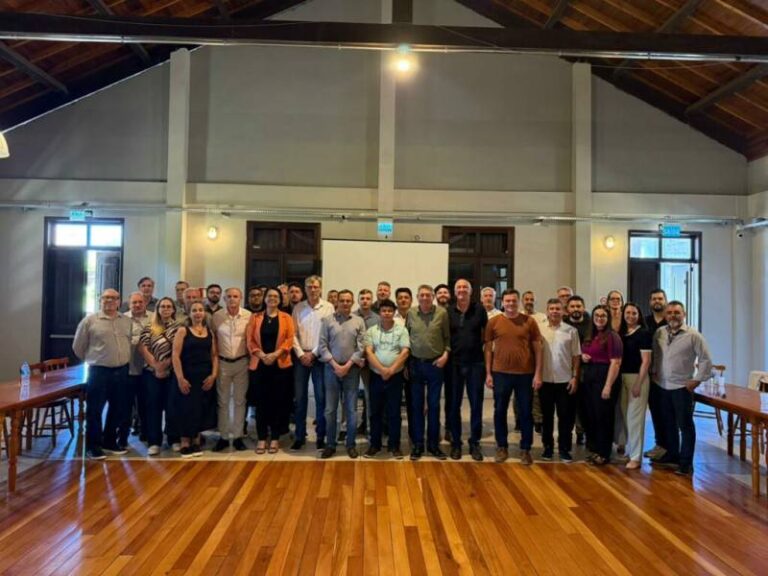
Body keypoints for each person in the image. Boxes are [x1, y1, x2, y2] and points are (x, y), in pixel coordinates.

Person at [651, 301, 712, 476]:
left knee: (685, 425)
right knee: (668, 424)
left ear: (684, 314)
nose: (673, 316)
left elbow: (706, 360)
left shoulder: (693, 335)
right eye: (669, 312)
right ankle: (672, 455)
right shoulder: (659, 332)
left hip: (681, 387)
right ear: (665, 315)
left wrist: (697, 380)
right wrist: (654, 372)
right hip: (662, 385)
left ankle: (686, 463)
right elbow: (655, 354)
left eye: (677, 312)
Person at [72, 288, 132, 459]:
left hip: (121, 370)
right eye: (106, 298)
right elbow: (78, 347)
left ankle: (109, 441)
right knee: (95, 410)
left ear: (119, 301)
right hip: (99, 371)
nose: (110, 301)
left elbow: (129, 342)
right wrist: (94, 359)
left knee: (117, 408)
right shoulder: (90, 321)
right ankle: (93, 446)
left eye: (114, 298)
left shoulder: (126, 321)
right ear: (100, 300)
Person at [484, 289, 542, 465]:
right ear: (503, 302)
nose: (510, 304)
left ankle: (525, 449)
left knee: (525, 412)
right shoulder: (494, 322)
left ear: (519, 302)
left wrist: (538, 373)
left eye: (514, 300)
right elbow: (488, 349)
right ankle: (502, 446)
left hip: (525, 374)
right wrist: (488, 373)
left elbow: (538, 349)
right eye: (507, 301)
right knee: (500, 411)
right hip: (500, 373)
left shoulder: (529, 321)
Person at [318, 289, 366, 459]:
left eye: (348, 301)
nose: (345, 303)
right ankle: (330, 444)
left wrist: (347, 366)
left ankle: (350, 444)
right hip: (331, 369)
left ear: (352, 302)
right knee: (330, 409)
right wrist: (335, 365)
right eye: (342, 300)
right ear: (337, 302)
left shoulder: (359, 321)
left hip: (351, 370)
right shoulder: (327, 320)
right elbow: (322, 345)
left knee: (351, 409)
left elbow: (361, 346)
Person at [246, 287, 295, 454]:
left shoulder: (286, 317)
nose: (272, 298)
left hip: (280, 365)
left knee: (278, 402)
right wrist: (261, 355)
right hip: (260, 365)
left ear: (280, 300)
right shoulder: (255, 317)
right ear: (264, 298)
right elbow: (250, 340)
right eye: (269, 296)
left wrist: (275, 354)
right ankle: (261, 438)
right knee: (261, 403)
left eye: (276, 296)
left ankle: (274, 437)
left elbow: (289, 339)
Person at [406, 285, 451, 460]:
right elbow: (407, 338)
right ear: (417, 297)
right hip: (416, 364)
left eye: (428, 295)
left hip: (435, 365)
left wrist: (445, 355)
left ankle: (433, 445)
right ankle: (418, 444)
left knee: (434, 405)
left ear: (433, 297)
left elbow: (447, 338)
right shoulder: (411, 313)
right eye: (422, 295)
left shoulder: (442, 313)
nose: (425, 298)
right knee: (417, 406)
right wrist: (406, 364)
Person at [291, 275, 335, 451]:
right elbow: (292, 334)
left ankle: (320, 436)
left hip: (320, 358)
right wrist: (301, 354)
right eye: (309, 286)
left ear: (321, 288)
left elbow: (328, 334)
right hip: (301, 357)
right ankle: (299, 436)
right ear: (305, 289)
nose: (313, 289)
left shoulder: (328, 307)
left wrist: (314, 353)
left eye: (316, 286)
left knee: (321, 398)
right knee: (300, 399)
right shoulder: (298, 308)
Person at [364, 298, 410, 459]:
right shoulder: (372, 331)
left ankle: (394, 445)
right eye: (384, 311)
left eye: (390, 311)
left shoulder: (401, 330)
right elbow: (368, 352)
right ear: (379, 313)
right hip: (376, 376)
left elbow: (405, 352)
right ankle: (374, 445)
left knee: (394, 412)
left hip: (395, 377)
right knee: (375, 412)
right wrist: (382, 369)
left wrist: (391, 370)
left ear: (393, 312)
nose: (387, 313)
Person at [171, 302, 219, 457]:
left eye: (200, 310)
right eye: (194, 310)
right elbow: (175, 355)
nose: (198, 313)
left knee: (200, 408)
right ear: (189, 313)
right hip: (187, 376)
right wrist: (180, 378)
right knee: (186, 408)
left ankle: (196, 440)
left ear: (204, 313)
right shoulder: (183, 331)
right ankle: (185, 442)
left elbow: (214, 356)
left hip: (204, 377)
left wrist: (213, 375)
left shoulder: (209, 332)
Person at [447, 279, 487, 461]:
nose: (462, 290)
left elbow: (486, 335)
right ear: (455, 292)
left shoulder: (480, 310)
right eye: (459, 288)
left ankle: (474, 442)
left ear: (470, 292)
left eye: (465, 287)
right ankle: (456, 443)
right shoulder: (448, 311)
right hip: (454, 364)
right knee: (454, 405)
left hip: (475, 364)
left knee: (476, 404)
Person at [539, 298, 580, 463]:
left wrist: (575, 377)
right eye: (552, 309)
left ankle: (564, 449)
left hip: (565, 381)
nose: (555, 311)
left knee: (565, 417)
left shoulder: (571, 331)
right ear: (547, 311)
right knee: (546, 417)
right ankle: (547, 448)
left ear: (563, 311)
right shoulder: (539, 329)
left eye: (558, 309)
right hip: (545, 380)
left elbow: (576, 356)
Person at [580, 305, 622, 466]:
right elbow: (586, 351)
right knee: (591, 415)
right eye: (596, 315)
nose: (599, 318)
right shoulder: (590, 335)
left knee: (603, 417)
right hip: (589, 377)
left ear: (608, 318)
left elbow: (616, 362)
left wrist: (608, 386)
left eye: (603, 316)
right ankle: (595, 450)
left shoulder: (612, 336)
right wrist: (583, 356)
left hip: (605, 377)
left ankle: (604, 453)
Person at [211, 288, 252, 452]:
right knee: (223, 401)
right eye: (229, 297)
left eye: (235, 296)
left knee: (240, 401)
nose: (232, 299)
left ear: (240, 298)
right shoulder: (217, 316)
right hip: (223, 362)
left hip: (242, 362)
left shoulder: (249, 316)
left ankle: (238, 436)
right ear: (224, 299)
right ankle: (223, 436)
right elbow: (213, 339)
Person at [138, 297, 179, 455]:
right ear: (158, 309)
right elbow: (143, 348)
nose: (166, 309)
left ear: (173, 309)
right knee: (153, 407)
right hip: (151, 373)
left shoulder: (179, 328)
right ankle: (154, 441)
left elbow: (179, 350)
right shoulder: (149, 327)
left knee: (172, 407)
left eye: (169, 306)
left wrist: (166, 364)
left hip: (172, 372)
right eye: (163, 306)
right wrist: (156, 366)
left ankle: (173, 439)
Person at [619, 302, 652, 470]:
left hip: (637, 378)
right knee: (626, 417)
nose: (630, 316)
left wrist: (639, 383)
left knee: (635, 419)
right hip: (622, 378)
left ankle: (636, 457)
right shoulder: (621, 333)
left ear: (639, 315)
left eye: (634, 313)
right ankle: (630, 450)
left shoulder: (644, 333)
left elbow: (646, 361)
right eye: (628, 312)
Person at [125, 291, 152, 444]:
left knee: (146, 402)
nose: (137, 305)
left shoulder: (154, 317)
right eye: (134, 302)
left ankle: (145, 431)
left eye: (140, 302)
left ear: (145, 303)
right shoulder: (122, 319)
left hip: (149, 368)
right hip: (129, 367)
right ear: (129, 304)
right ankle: (123, 435)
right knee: (126, 403)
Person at [644, 288, 668, 460]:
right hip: (649, 374)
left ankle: (670, 448)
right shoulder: (645, 322)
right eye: (654, 299)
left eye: (660, 298)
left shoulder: (671, 320)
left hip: (668, 374)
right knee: (656, 411)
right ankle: (660, 445)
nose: (657, 301)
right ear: (650, 302)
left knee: (668, 413)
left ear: (665, 300)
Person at [354, 289, 380, 435]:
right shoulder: (351, 316)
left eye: (368, 298)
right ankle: (347, 428)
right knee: (349, 397)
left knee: (369, 396)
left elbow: (378, 341)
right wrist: (357, 358)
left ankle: (370, 428)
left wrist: (368, 357)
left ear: (372, 301)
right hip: (353, 361)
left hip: (370, 362)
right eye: (362, 298)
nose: (365, 301)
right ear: (358, 300)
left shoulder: (378, 319)